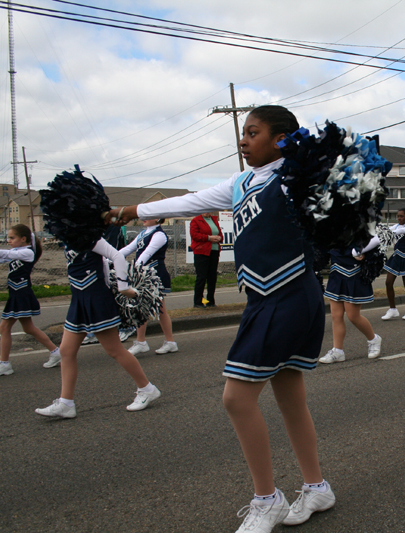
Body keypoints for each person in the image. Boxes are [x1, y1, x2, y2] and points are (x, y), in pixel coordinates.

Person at [110, 106, 334, 532]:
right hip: (266, 296)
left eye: (253, 132)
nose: (243, 140)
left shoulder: (296, 177)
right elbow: (190, 201)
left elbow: (336, 204)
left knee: (236, 398)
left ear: (281, 139)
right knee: (289, 396)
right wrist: (130, 210)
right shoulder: (240, 183)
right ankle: (317, 487)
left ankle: (267, 499)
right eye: (242, 132)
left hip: (288, 292)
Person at [35, 236, 161, 418]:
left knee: (114, 350)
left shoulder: (91, 237)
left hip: (96, 300)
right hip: (78, 300)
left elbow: (117, 256)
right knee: (66, 351)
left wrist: (123, 287)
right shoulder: (69, 237)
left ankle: (147, 389)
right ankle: (66, 403)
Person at [0, 225, 61, 377]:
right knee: (28, 328)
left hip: (21, 294)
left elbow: (5, 253)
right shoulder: (17, 252)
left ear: (23, 239)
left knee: (4, 327)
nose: (8, 241)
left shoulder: (27, 252)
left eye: (12, 238)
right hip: (16, 293)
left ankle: (4, 363)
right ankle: (56, 352)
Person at [319, 238, 382, 363]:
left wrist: (363, 251)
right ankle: (338, 350)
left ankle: (373, 339)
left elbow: (375, 238)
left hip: (353, 272)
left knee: (353, 316)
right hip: (336, 271)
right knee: (336, 315)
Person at [120, 218, 178, 355]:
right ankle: (144, 342)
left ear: (157, 218)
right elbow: (128, 249)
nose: (143, 219)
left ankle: (167, 342)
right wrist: (109, 258)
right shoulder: (143, 233)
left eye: (147, 216)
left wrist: (134, 269)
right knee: (142, 307)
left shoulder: (159, 235)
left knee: (159, 309)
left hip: (155, 275)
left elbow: (147, 253)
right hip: (144, 276)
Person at [381, 208, 405, 320]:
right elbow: (389, 229)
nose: (399, 218)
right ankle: (393, 309)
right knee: (388, 282)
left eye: (402, 216)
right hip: (397, 256)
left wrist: (387, 232)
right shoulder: (396, 226)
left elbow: (400, 231)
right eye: (398, 216)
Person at [190, 211, 222, 308]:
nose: (206, 212)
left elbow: (220, 234)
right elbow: (194, 235)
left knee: (212, 277)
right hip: (201, 252)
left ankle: (210, 301)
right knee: (201, 277)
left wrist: (219, 238)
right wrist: (208, 238)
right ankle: (198, 301)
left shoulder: (214, 220)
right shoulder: (196, 220)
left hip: (214, 251)